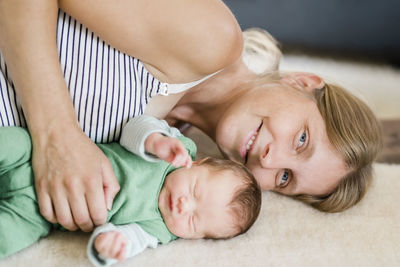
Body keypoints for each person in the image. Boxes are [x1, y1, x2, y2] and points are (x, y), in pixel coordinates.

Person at [0, 0, 382, 232]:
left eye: (285, 178)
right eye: (302, 140)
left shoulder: (169, 148)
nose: (271, 159)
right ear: (302, 81)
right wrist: (59, 136)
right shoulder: (212, 39)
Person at [0, 115, 262, 264]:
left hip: (41, 211)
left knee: (9, 236)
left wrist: (109, 246)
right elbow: (134, 127)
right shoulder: (174, 152)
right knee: (10, 142)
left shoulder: (158, 230)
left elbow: (129, 239)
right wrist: (154, 140)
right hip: (35, 154)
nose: (184, 205)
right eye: (194, 190)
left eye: (193, 221)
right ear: (197, 162)